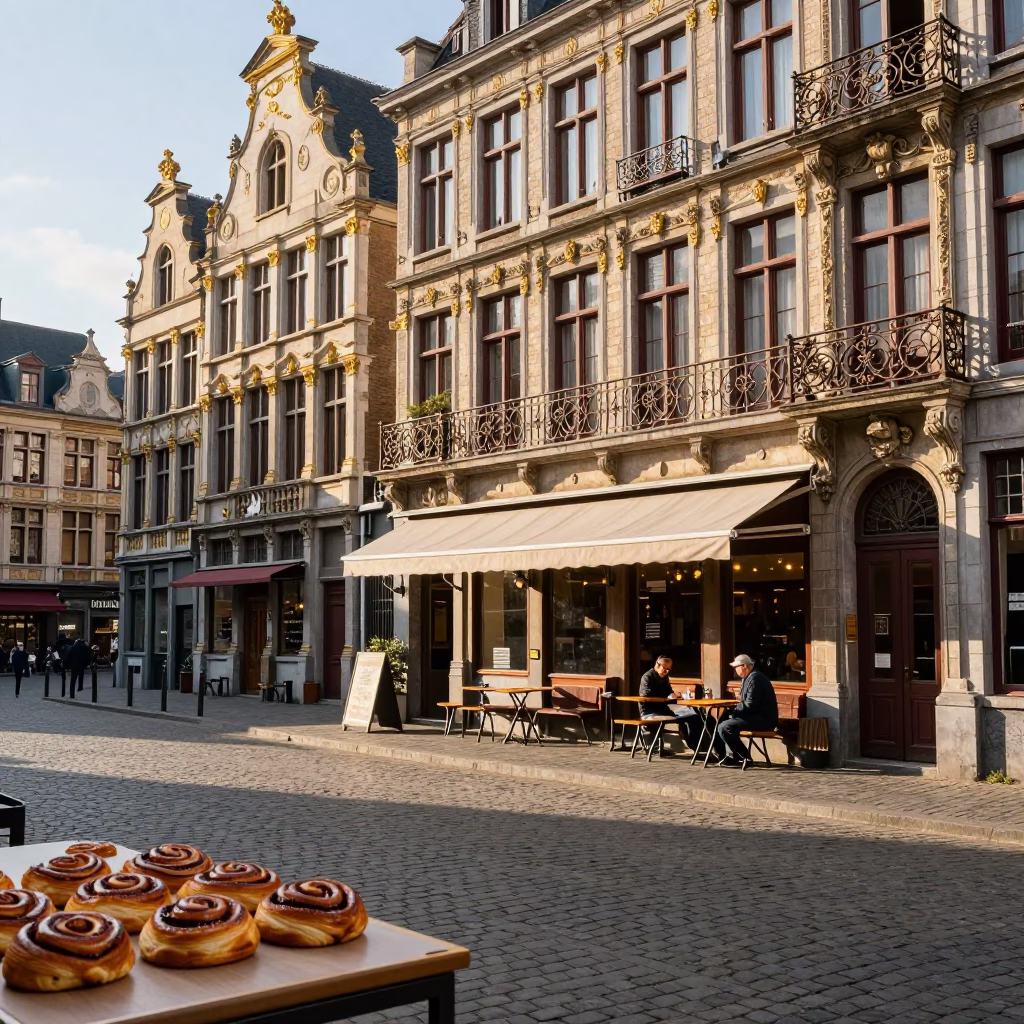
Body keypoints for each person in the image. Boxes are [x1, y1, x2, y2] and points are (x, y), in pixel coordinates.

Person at [716, 653, 778, 767]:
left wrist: (734, 711)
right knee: (720, 721)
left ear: (744, 666)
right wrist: (733, 712)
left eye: (736, 667)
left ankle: (744, 756)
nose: (735, 670)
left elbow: (750, 704)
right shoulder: (748, 678)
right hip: (752, 716)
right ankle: (730, 755)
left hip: (763, 719)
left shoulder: (755, 679)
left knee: (725, 726)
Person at [638, 655, 702, 751]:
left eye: (669, 669)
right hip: (650, 711)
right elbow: (646, 696)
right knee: (686, 717)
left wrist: (672, 694)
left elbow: (669, 691)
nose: (667, 671)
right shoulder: (647, 677)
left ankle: (696, 747)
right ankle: (691, 744)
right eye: (665, 668)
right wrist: (665, 698)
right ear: (657, 665)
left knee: (694, 716)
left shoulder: (665, 678)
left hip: (665, 709)